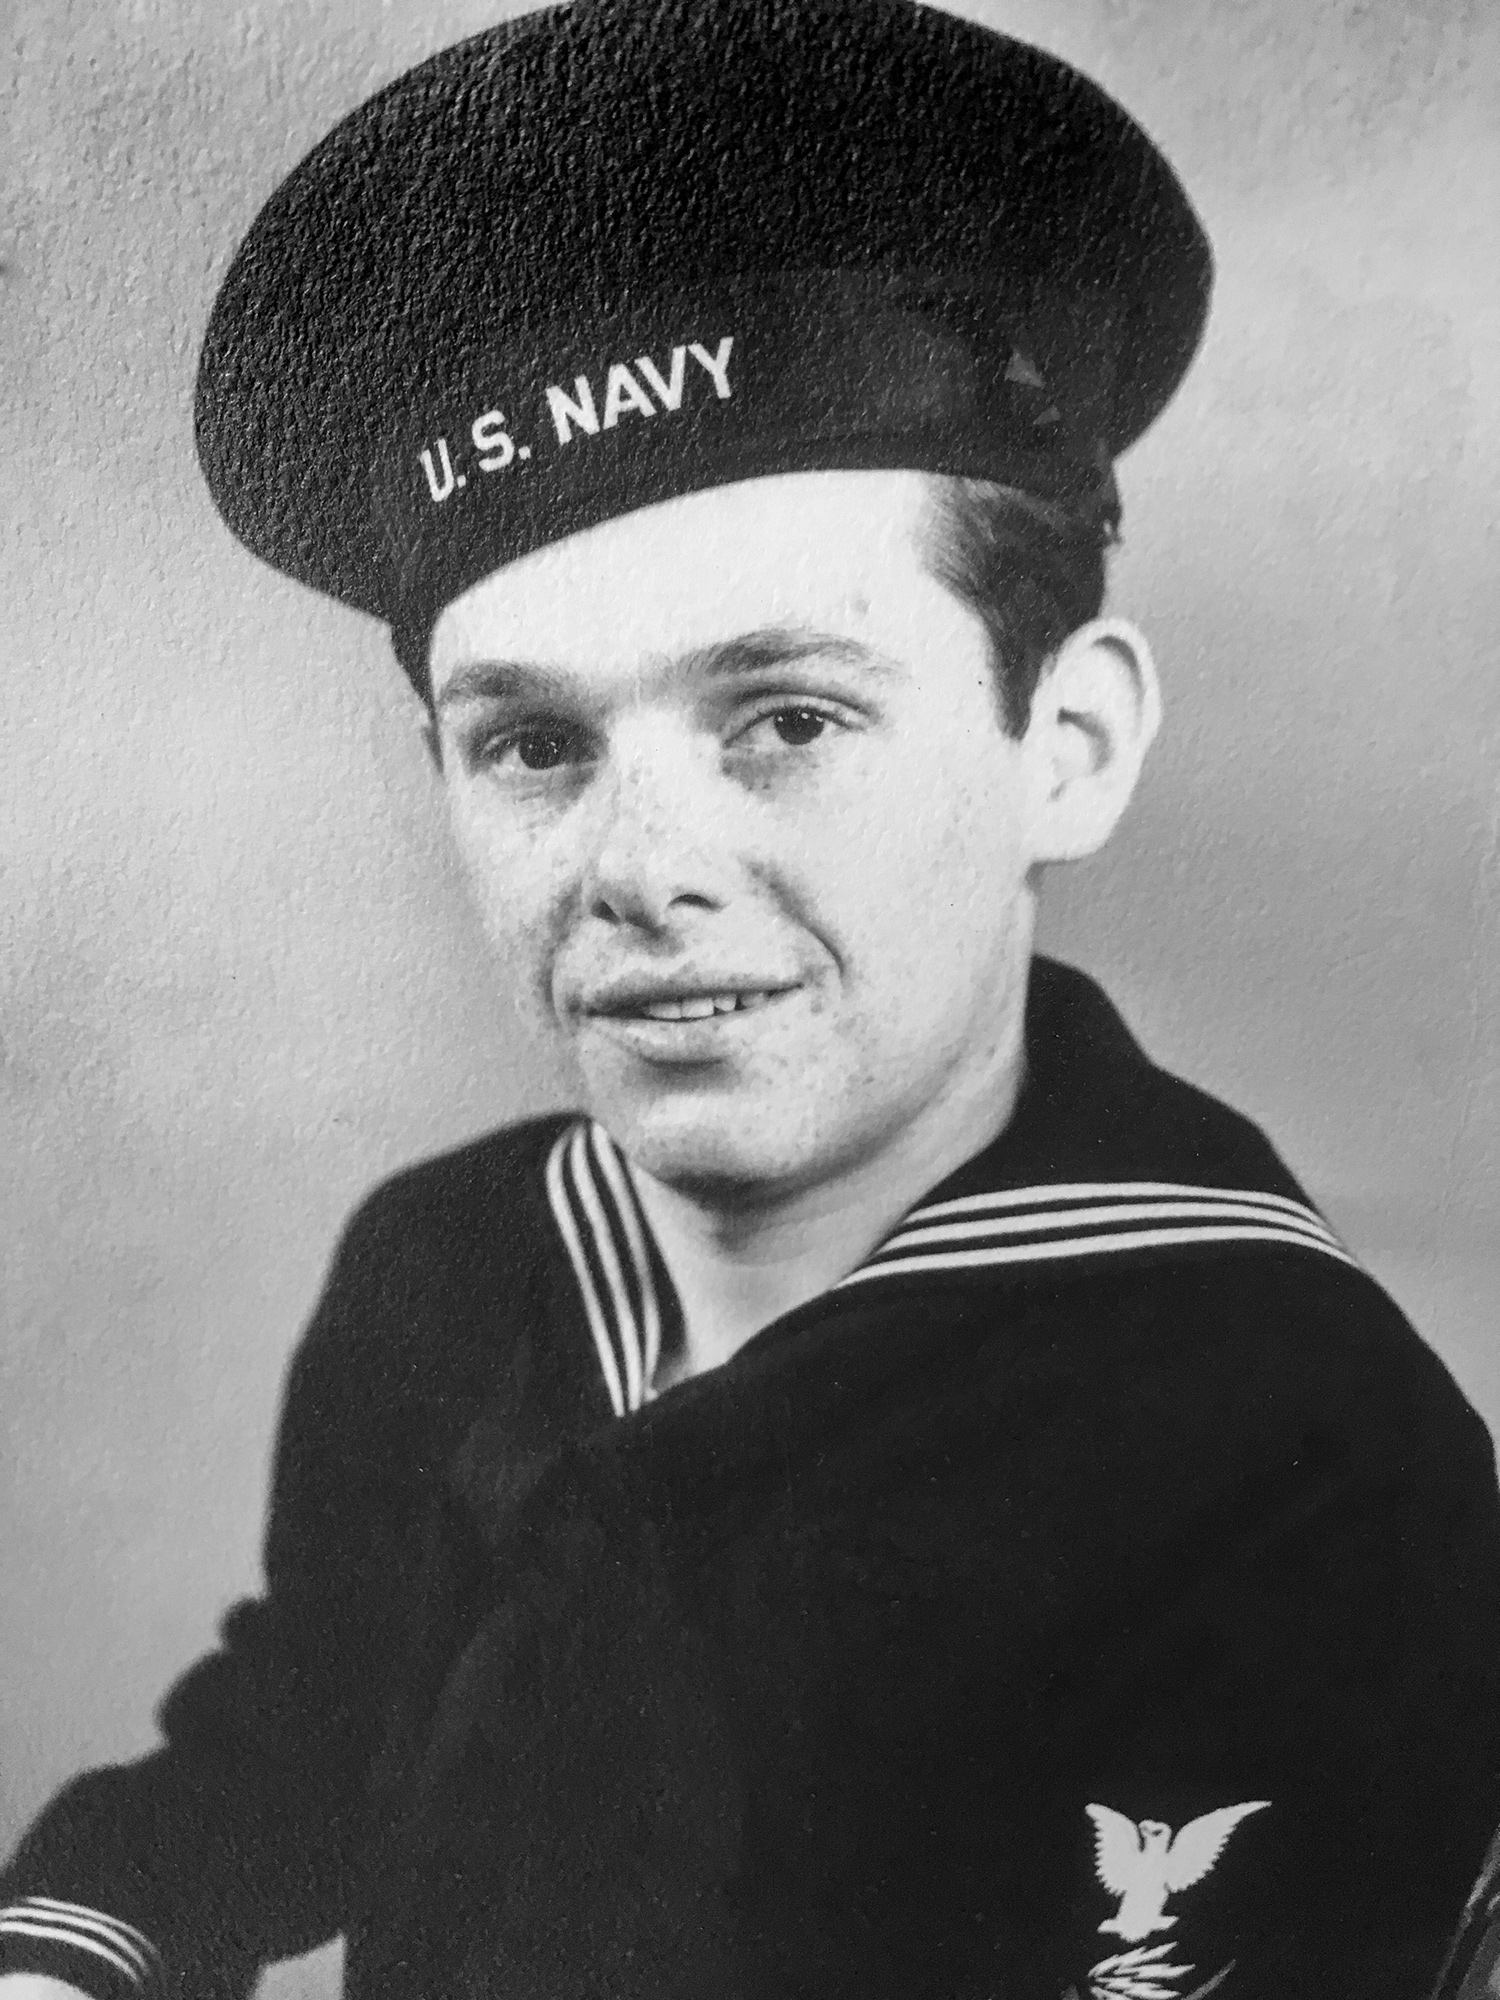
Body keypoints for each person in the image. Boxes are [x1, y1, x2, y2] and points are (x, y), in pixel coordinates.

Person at [4, 2, 1499, 1997]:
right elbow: (300, 1724)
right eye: (530, 742)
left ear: (1065, 742)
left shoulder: (1293, 1448)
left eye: (786, 715)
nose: (639, 866)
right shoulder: (453, 1259)